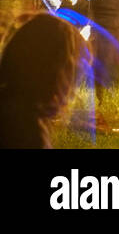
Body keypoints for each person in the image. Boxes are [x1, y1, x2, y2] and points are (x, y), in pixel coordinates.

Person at [0, 13, 84, 148]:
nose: (72, 87)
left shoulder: (9, 106)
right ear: (54, 69)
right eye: (72, 70)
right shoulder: (25, 131)